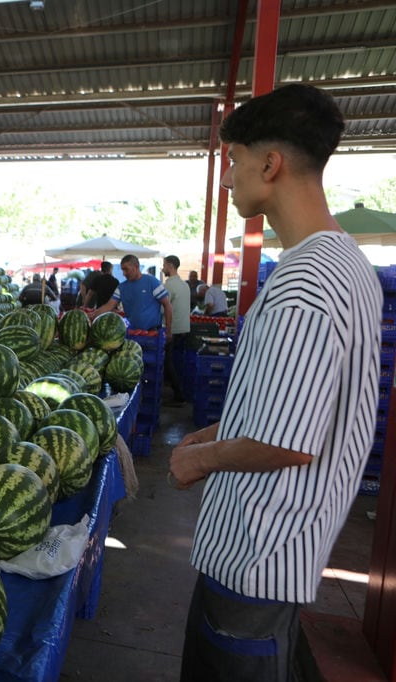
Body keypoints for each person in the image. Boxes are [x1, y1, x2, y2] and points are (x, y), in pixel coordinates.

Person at [169, 83, 382, 681]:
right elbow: (291, 403)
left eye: (233, 160)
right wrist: (213, 431)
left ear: (270, 163)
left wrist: (202, 460)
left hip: (257, 552)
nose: (228, 178)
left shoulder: (304, 284)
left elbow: (287, 440)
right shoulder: (346, 264)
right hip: (283, 547)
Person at [90, 254, 172, 342]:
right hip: (132, 334)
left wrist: (168, 330)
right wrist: (92, 315)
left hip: (153, 334)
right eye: (122, 270)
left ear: (136, 267)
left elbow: (167, 305)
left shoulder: (152, 282)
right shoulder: (121, 287)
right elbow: (109, 305)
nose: (124, 273)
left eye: (126, 269)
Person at [160, 255, 189, 405]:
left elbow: (164, 308)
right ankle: (177, 391)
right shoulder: (184, 285)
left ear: (170, 266)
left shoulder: (168, 286)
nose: (162, 268)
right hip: (184, 328)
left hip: (172, 328)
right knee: (174, 362)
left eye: (164, 265)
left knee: (167, 362)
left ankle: (178, 394)